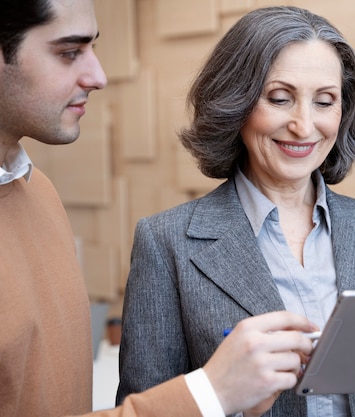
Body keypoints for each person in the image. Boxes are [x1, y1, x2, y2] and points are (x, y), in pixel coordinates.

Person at [116, 6, 355, 417]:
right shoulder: (166, 242)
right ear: (236, 102)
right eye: (280, 99)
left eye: (324, 101)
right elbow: (146, 409)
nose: (303, 125)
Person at [0, 1, 323, 416]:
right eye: (68, 52)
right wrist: (211, 393)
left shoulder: (38, 194)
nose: (99, 76)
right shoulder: (165, 239)